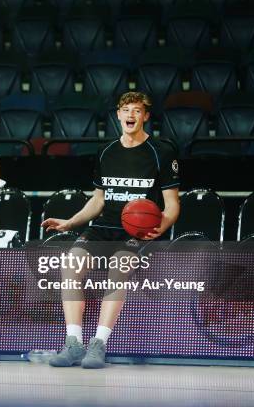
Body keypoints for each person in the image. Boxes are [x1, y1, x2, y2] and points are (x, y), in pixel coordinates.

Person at [41, 91, 180, 369]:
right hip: (103, 227)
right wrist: (70, 222)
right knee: (70, 264)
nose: (131, 115)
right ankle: (73, 343)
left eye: (137, 111)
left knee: (118, 265)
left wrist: (159, 226)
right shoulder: (106, 151)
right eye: (126, 110)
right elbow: (98, 200)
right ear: (118, 114)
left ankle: (99, 344)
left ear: (146, 116)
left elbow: (173, 205)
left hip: (137, 232)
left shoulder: (162, 152)